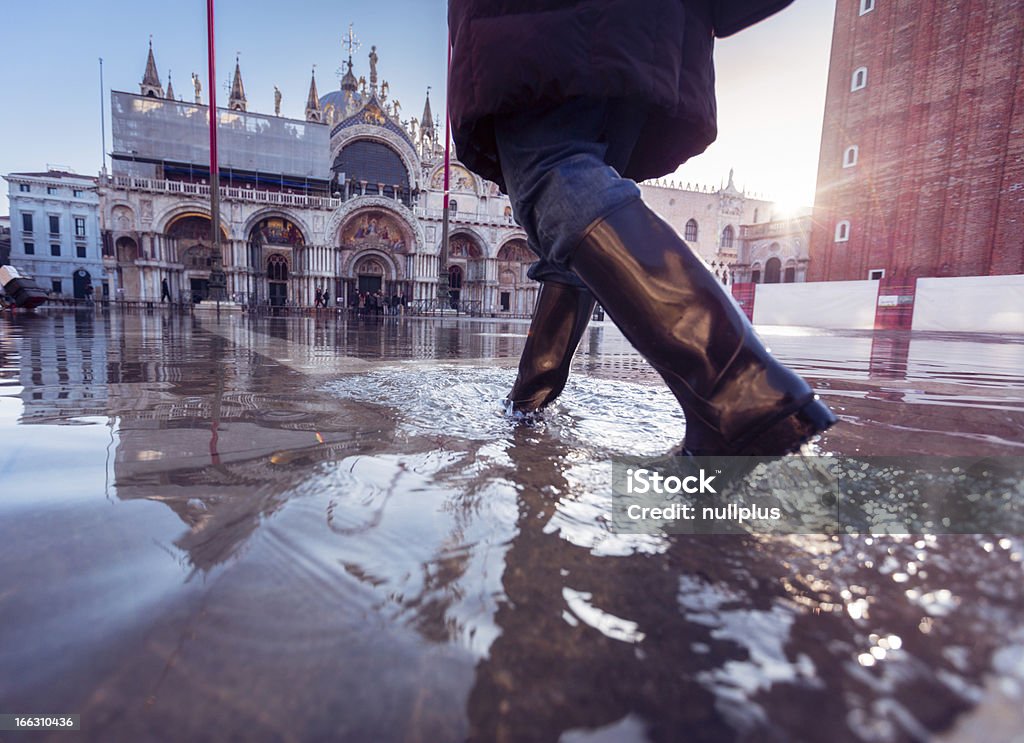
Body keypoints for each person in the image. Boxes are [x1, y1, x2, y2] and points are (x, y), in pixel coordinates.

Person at [448, 0, 836, 456]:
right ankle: (529, 397)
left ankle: (738, 392)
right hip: (642, 29)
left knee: (550, 174)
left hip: (544, 22)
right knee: (573, 217)